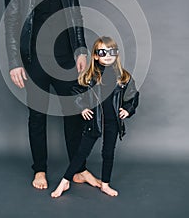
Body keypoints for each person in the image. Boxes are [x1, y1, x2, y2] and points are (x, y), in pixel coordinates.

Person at [4, 0, 100, 190]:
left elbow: (75, 16)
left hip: (66, 60)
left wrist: (80, 50)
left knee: (75, 115)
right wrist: (14, 61)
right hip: (35, 61)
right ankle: (40, 170)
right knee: (37, 116)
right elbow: (11, 25)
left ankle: (78, 170)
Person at [51, 36, 139, 198]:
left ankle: (105, 184)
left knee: (108, 153)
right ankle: (64, 181)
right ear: (96, 55)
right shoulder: (90, 76)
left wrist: (128, 109)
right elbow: (76, 93)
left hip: (113, 123)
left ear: (117, 54)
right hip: (94, 122)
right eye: (103, 52)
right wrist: (82, 107)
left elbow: (133, 95)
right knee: (81, 153)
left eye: (112, 51)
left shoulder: (123, 77)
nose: (108, 55)